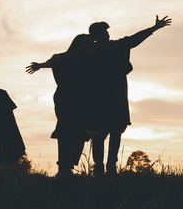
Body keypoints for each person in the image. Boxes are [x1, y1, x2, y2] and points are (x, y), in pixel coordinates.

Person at [89, 15, 171, 175]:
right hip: (98, 101)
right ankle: (98, 168)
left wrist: (154, 28)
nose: (106, 36)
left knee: (115, 133)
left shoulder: (116, 46)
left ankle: (111, 166)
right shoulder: (90, 53)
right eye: (102, 34)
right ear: (95, 38)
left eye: (106, 33)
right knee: (98, 135)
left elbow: (135, 39)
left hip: (117, 98)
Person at [26, 34, 97, 177]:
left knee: (80, 131)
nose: (90, 45)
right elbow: (54, 61)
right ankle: (63, 167)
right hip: (67, 97)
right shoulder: (68, 57)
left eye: (91, 43)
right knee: (66, 129)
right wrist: (40, 65)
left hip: (83, 99)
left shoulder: (91, 59)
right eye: (86, 43)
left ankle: (68, 166)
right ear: (79, 44)